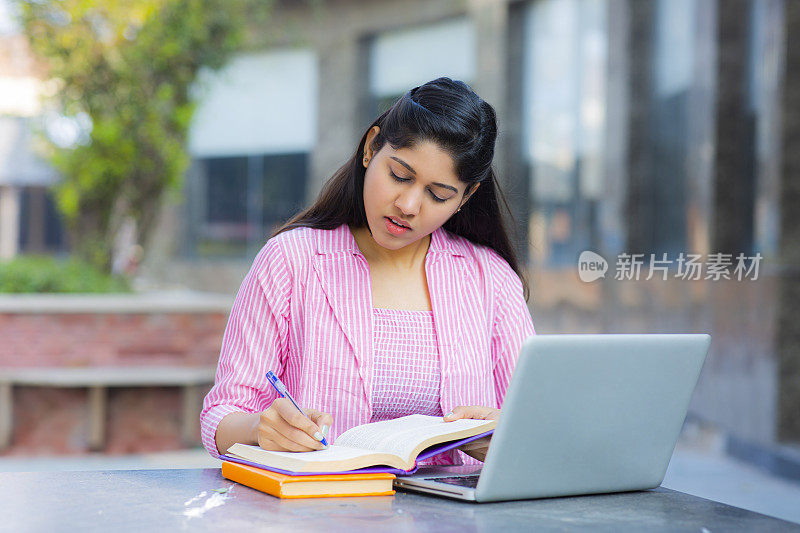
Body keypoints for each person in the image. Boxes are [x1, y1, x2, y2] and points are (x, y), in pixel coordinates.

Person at [201, 77, 535, 465]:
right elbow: (220, 417)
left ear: (466, 197)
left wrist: (504, 438)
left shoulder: (490, 280)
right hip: (321, 515)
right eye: (399, 175)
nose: (408, 205)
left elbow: (539, 432)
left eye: (438, 195)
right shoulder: (291, 262)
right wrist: (261, 429)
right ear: (371, 147)